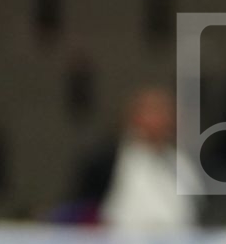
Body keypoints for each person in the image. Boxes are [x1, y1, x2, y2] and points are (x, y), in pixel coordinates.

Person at [67, 86, 203, 234]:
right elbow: (82, 208)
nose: (161, 119)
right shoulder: (107, 160)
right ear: (133, 116)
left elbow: (196, 208)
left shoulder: (181, 162)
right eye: (152, 111)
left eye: (166, 113)